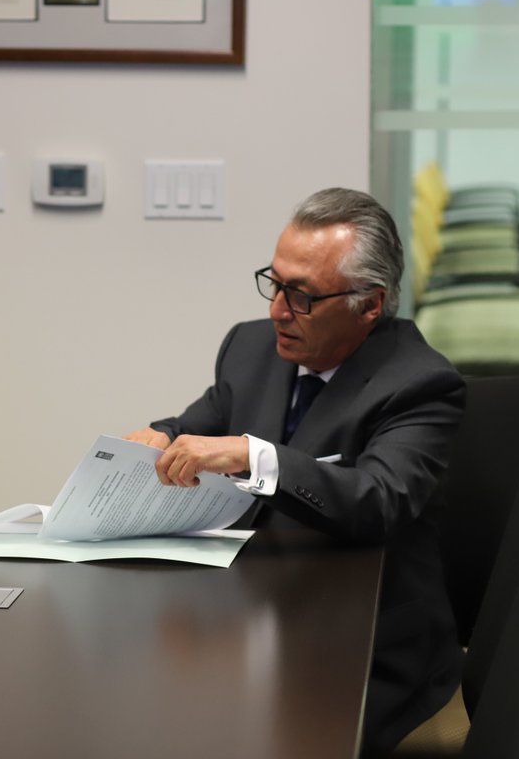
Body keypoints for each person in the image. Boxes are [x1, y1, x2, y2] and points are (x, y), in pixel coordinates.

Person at [123, 188, 465, 753]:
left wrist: (254, 456)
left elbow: (378, 498)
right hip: (253, 614)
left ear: (370, 304)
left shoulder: (419, 383)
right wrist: (161, 435)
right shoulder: (250, 347)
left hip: (361, 647)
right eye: (275, 283)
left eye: (302, 296)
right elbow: (196, 425)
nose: (277, 310)